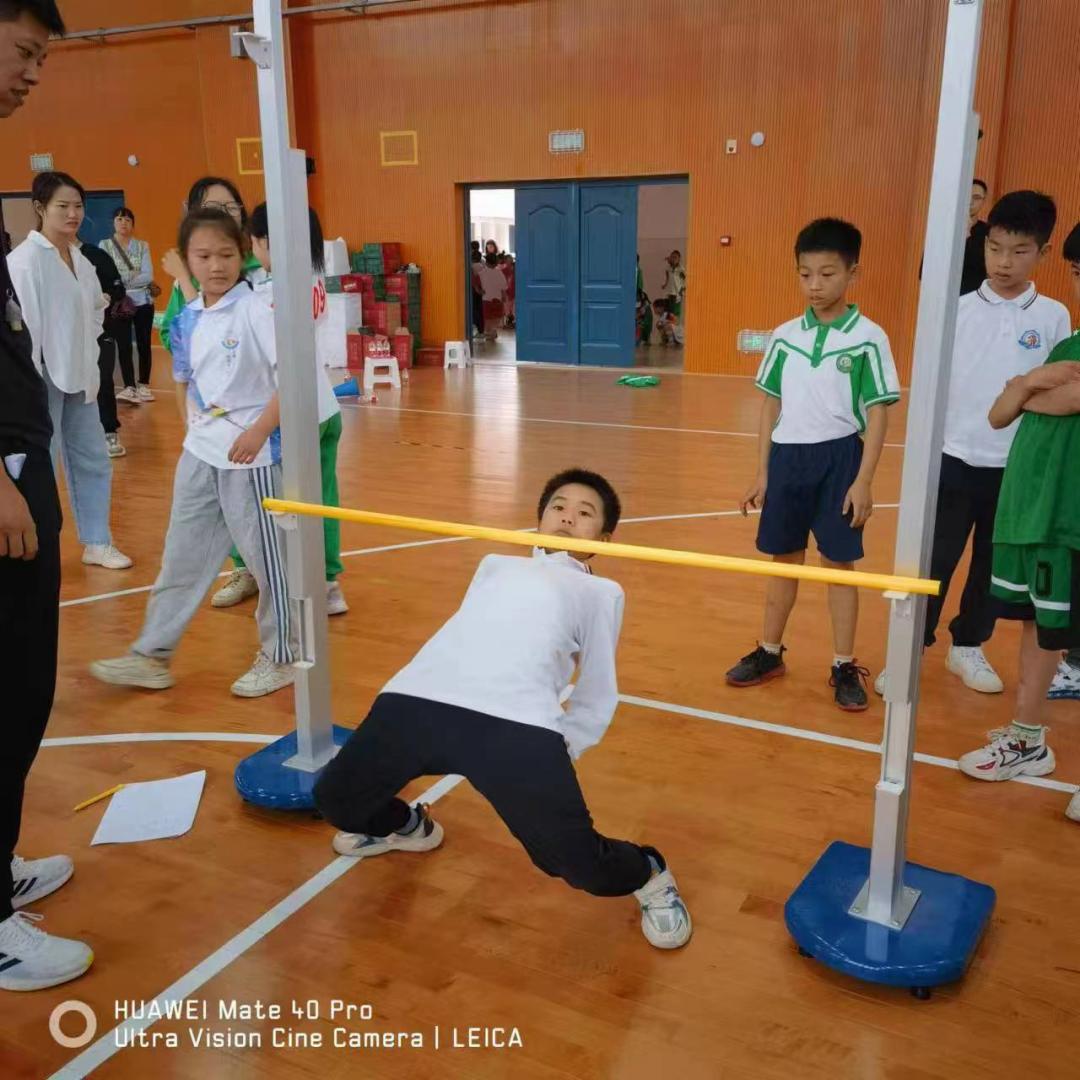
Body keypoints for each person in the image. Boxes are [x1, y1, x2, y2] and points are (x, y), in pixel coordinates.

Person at [313, 469, 692, 951]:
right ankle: (409, 827)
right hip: (421, 694)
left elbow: (597, 690)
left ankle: (649, 873)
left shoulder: (600, 592)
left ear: (604, 541)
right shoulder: (496, 563)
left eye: (584, 513)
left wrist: (559, 750)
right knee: (337, 800)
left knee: (575, 864)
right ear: (538, 521)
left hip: (517, 722)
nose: (567, 516)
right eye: (557, 506)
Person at [90, 208, 296, 698]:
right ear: (187, 259)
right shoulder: (190, 314)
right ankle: (151, 656)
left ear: (243, 256)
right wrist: (190, 422)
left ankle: (282, 655)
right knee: (181, 558)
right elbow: (185, 376)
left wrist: (258, 432)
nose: (216, 265)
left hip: (253, 458)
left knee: (270, 563)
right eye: (204, 256)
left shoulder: (258, 308)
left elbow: (292, 380)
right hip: (200, 454)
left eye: (226, 255)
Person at [0, 0, 94, 994]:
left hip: (26, 463)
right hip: (3, 481)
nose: (32, 75)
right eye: (24, 52)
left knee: (25, 694)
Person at [885, 192, 1070, 696]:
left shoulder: (1054, 316)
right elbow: (931, 384)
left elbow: (1053, 393)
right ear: (983, 246)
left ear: (1043, 254)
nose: (1004, 262)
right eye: (995, 248)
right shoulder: (956, 310)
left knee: (991, 563)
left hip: (1015, 467)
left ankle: (967, 645)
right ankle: (909, 649)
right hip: (953, 456)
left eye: (1019, 251)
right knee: (936, 558)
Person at [727, 218, 899, 712]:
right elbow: (769, 404)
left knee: (839, 564)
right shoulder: (784, 337)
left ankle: (844, 664)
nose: (815, 286)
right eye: (805, 275)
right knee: (784, 559)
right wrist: (763, 472)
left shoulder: (868, 338)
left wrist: (864, 479)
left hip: (840, 458)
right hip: (788, 459)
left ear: (853, 274)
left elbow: (878, 411)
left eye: (827, 274)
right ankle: (769, 651)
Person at [956, 222, 1080, 826]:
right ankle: (1029, 740)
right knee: (1037, 629)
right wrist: (1034, 379)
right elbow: (1004, 408)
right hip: (1044, 519)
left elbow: (1067, 401)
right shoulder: (1066, 348)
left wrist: (1031, 388)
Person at [214, 201, 348, 617]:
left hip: (287, 411)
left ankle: (266, 572)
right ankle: (327, 584)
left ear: (266, 241)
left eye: (254, 243)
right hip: (323, 405)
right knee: (321, 498)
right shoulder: (313, 276)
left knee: (265, 500)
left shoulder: (271, 291)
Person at [8, 171, 133, 571]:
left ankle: (97, 540)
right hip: (40, 378)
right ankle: (32, 542)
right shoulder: (25, 262)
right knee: (42, 463)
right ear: (40, 208)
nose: (73, 213)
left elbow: (93, 313)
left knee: (92, 458)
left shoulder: (81, 259)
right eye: (63, 206)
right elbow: (22, 327)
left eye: (78, 206)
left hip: (80, 374)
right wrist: (28, 385)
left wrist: (90, 358)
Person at [159, 176, 262, 356]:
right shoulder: (188, 274)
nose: (224, 215)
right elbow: (169, 335)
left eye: (230, 207)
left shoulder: (264, 266)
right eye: (214, 207)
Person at [77, 236, 128, 458]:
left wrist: (105, 296)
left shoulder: (95, 255)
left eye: (77, 206)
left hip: (102, 330)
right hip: (69, 335)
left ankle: (109, 431)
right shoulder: (47, 260)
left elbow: (118, 288)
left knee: (103, 378)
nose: (71, 214)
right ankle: (81, 435)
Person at [100, 207, 157, 404]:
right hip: (119, 303)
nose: (123, 223)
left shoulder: (142, 246)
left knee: (144, 344)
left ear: (133, 224)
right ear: (114, 223)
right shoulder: (105, 246)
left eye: (127, 220)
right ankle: (129, 387)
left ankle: (144, 385)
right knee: (123, 345)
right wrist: (131, 277)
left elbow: (149, 275)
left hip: (143, 301)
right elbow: (106, 274)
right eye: (119, 219)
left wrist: (121, 281)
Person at [960, 179, 990, 295]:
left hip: (977, 300)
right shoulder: (944, 230)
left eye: (976, 198)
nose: (970, 202)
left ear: (983, 201)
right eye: (966, 196)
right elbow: (925, 272)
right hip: (945, 299)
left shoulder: (989, 232)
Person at [476, 250, 507, 342]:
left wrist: (479, 291)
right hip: (498, 298)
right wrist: (504, 297)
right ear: (496, 263)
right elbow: (503, 288)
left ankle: (488, 331)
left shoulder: (481, 273)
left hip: (486, 298)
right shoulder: (500, 273)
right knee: (496, 316)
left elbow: (476, 285)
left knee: (487, 317)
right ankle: (493, 330)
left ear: (486, 262)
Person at [662, 250, 686, 318]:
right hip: (669, 291)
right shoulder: (668, 268)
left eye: (675, 257)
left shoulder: (680, 269)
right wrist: (665, 284)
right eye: (672, 257)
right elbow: (667, 277)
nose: (673, 259)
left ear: (679, 259)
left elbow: (685, 280)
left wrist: (683, 289)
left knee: (675, 310)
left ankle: (674, 322)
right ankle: (666, 319)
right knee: (667, 308)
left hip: (677, 292)